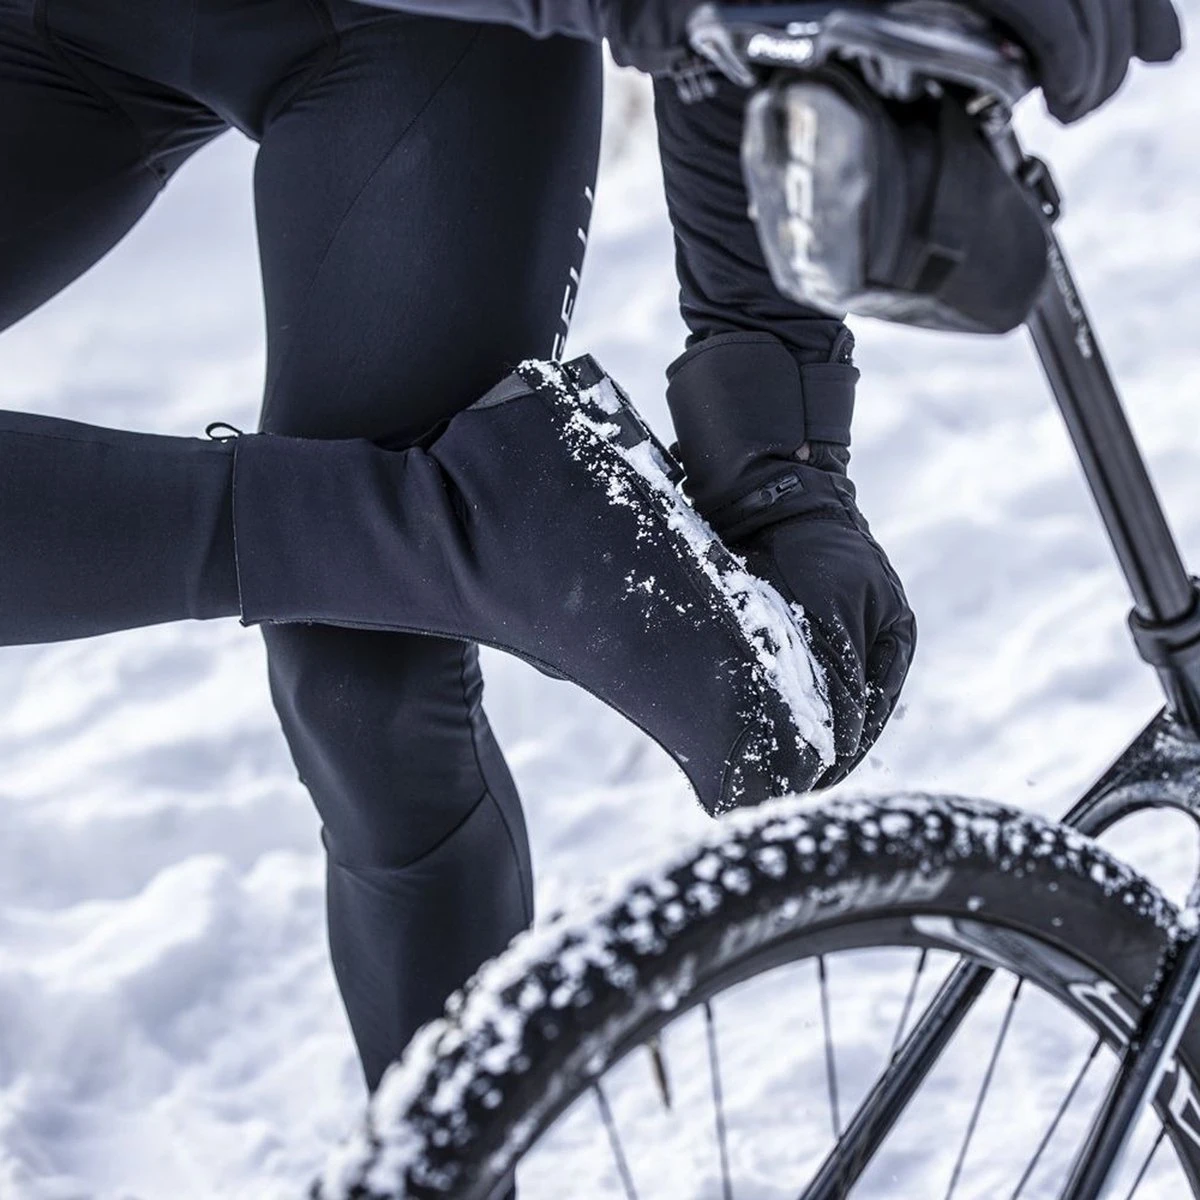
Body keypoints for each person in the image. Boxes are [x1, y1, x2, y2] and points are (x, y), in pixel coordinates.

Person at [0, 0, 1177, 1106]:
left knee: (366, 683)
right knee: (376, 611)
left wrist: (781, 460)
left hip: (411, 41)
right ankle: (467, 525)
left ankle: (444, 1163)